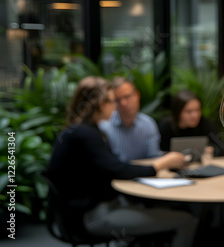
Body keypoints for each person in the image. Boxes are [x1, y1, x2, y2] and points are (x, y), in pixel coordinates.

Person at [45, 76, 198, 247]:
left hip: (88, 211)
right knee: (187, 220)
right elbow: (118, 170)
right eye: (112, 101)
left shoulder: (78, 131)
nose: (116, 106)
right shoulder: (86, 135)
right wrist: (161, 164)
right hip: (93, 217)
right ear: (100, 104)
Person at [99, 77, 162, 162]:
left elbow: (154, 159)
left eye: (127, 96)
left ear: (137, 95)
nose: (123, 103)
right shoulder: (104, 127)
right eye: (117, 100)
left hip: (146, 174)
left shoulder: (148, 124)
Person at [159, 90, 224, 157]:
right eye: (189, 111)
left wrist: (210, 150)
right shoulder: (166, 125)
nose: (195, 115)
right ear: (178, 112)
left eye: (197, 110)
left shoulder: (204, 122)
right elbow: (160, 152)